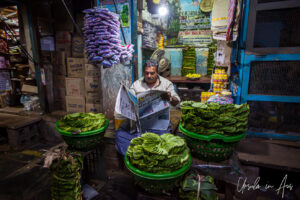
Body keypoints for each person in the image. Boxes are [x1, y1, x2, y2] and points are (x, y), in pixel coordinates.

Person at [115, 59, 181, 155]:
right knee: (120, 134)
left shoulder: (166, 84)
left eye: (152, 73)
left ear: (157, 72)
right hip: (140, 122)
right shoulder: (137, 85)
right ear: (143, 73)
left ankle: (150, 155)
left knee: (163, 140)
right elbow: (131, 101)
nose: (149, 76)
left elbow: (176, 102)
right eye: (146, 73)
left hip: (158, 123)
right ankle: (133, 156)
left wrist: (170, 98)